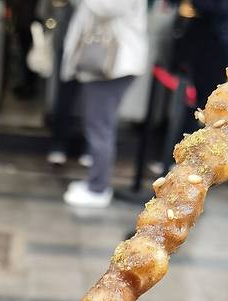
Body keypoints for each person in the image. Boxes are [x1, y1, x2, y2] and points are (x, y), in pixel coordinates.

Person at [60, 0, 148, 208]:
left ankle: (98, 188)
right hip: (112, 63)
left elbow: (106, 7)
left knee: (99, 127)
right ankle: (96, 183)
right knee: (99, 125)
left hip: (114, 64)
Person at [172, 0, 228, 110]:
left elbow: (217, 7)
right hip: (226, 44)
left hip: (219, 44)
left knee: (204, 97)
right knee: (207, 95)